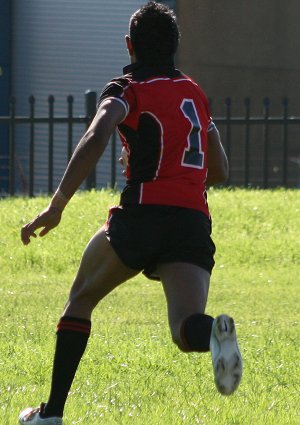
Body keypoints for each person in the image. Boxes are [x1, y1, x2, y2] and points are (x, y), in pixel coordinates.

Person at [19, 2, 242, 424]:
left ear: (130, 46)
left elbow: (98, 131)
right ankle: (214, 334)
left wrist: (57, 204)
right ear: (175, 47)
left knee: (80, 299)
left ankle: (50, 414)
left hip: (142, 214)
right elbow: (221, 170)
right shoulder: (194, 93)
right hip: (192, 220)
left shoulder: (127, 89)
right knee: (185, 328)